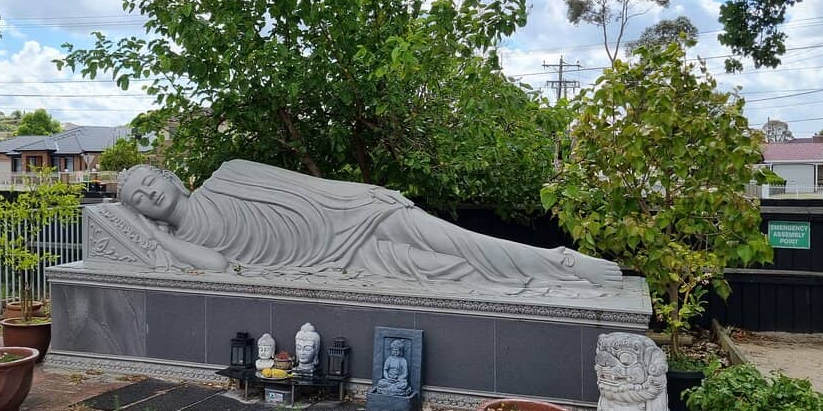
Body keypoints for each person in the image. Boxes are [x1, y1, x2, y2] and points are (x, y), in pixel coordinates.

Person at [102, 160, 622, 293]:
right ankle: (547, 278)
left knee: (463, 241)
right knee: (451, 270)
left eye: (148, 180)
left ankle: (562, 262)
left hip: (349, 214)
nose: (148, 193)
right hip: (335, 261)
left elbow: (307, 188)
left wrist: (362, 196)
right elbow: (217, 266)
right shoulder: (184, 244)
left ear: (169, 175)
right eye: (137, 199)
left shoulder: (229, 175)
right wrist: (153, 238)